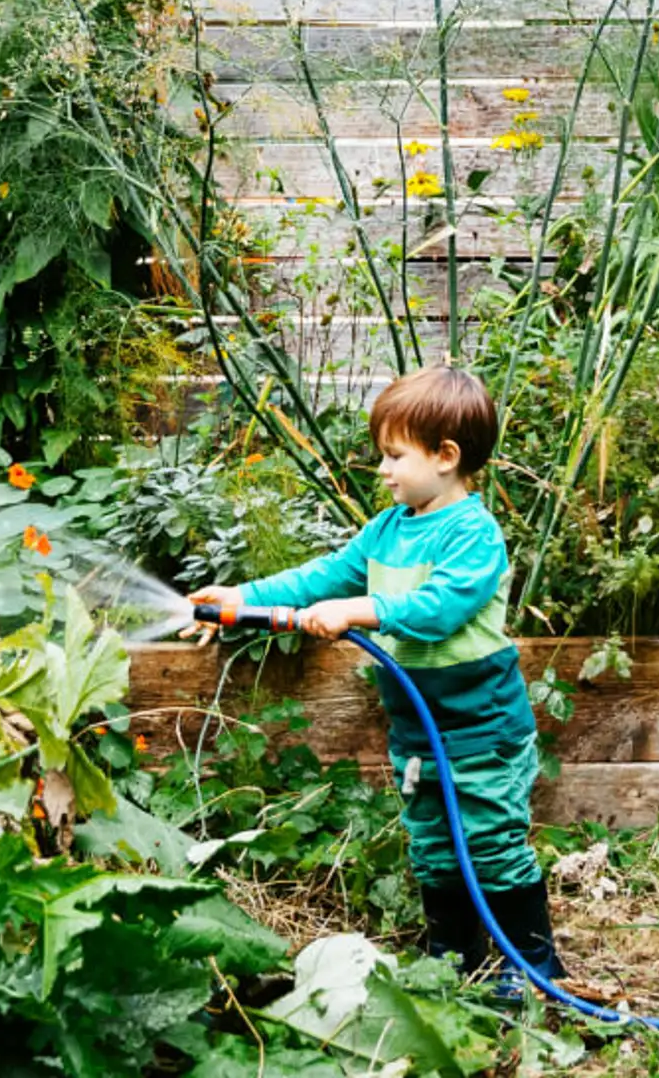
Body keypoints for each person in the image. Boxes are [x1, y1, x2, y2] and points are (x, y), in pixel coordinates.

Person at [186, 365, 560, 983]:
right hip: (417, 728)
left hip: (480, 725)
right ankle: (452, 962)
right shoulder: (388, 529)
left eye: (393, 455)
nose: (382, 469)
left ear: (445, 456)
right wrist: (241, 596)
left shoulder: (474, 534)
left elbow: (437, 609)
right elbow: (324, 576)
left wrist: (361, 610)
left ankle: (530, 966)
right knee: (434, 845)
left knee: (491, 842)